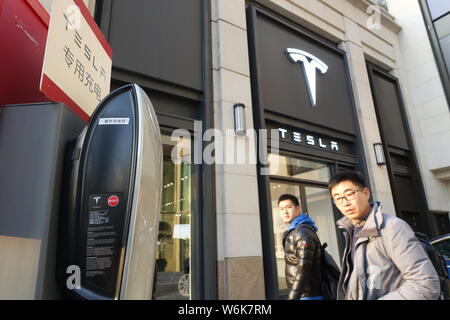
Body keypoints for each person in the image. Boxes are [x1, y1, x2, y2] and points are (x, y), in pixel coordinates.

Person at [328, 170, 440, 300]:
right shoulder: (352, 231)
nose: (345, 202)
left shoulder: (391, 227)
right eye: (338, 198)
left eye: (349, 194)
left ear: (366, 193)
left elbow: (425, 285)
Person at [278, 194, 322, 300]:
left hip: (308, 295)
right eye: (281, 209)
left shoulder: (301, 232)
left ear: (297, 209)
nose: (285, 212)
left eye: (289, 207)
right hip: (303, 294)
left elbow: (304, 267)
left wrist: (293, 297)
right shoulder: (294, 231)